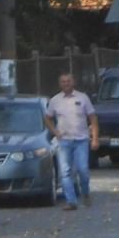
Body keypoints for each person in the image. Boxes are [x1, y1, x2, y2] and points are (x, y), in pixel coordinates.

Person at [43, 74, 98, 210]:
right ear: (59, 84)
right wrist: (55, 132)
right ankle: (71, 201)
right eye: (63, 81)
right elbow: (48, 118)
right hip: (64, 141)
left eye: (68, 81)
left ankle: (85, 193)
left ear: (73, 82)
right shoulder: (55, 100)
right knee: (65, 172)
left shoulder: (82, 98)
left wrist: (95, 138)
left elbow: (93, 118)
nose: (66, 83)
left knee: (83, 169)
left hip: (81, 140)